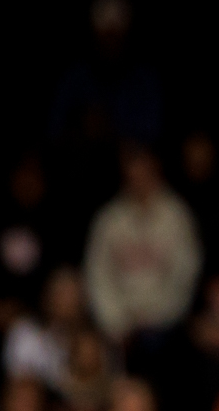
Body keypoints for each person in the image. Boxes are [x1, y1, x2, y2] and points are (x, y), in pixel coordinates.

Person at [82, 142, 203, 343]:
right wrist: (116, 320)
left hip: (166, 329)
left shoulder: (177, 215)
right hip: (118, 330)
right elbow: (97, 274)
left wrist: (158, 316)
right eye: (131, 167)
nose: (137, 174)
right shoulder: (109, 219)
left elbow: (186, 273)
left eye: (143, 166)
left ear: (155, 167)